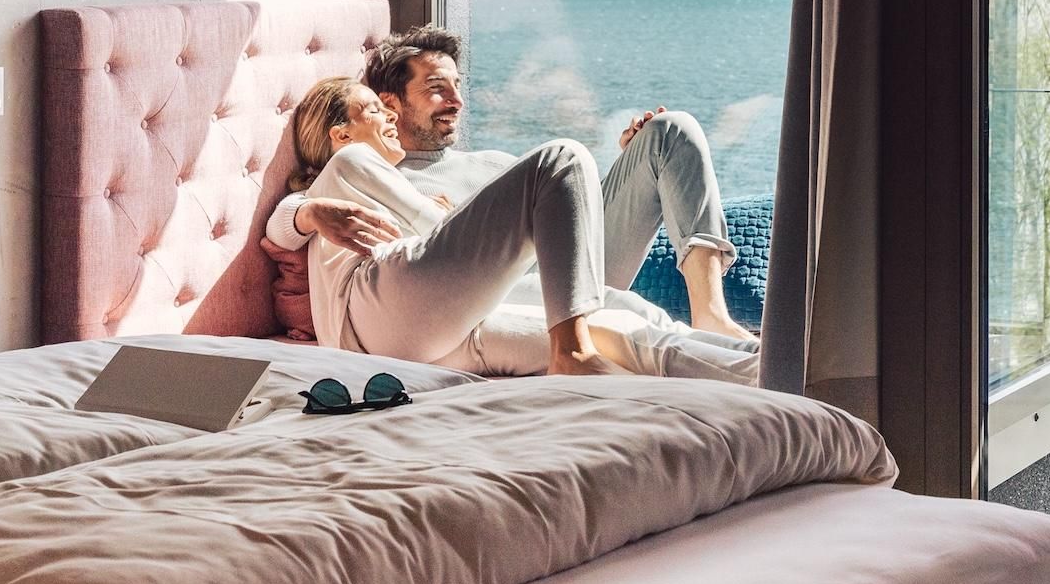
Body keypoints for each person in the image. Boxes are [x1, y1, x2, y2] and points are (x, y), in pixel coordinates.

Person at [271, 77, 759, 384]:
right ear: (340, 134)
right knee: (562, 158)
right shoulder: (347, 164)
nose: (389, 115)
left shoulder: (469, 167)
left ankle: (786, 372)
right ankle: (572, 350)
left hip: (431, 340)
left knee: (627, 322)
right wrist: (310, 213)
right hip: (384, 307)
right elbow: (283, 223)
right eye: (374, 109)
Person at [364, 24, 755, 342]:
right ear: (390, 104)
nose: (457, 100)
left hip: (573, 271)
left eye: (457, 85)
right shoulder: (383, 182)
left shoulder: (495, 163)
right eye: (436, 88)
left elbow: (564, 220)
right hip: (517, 297)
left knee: (671, 130)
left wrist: (634, 165)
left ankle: (711, 315)